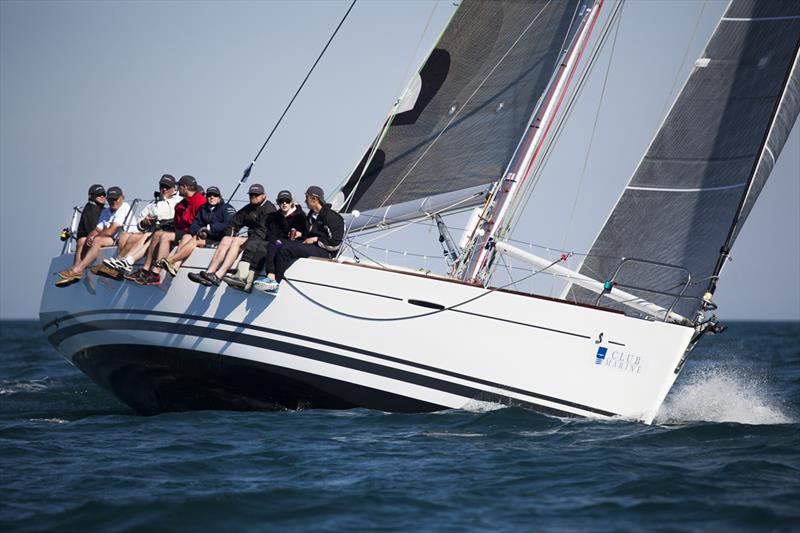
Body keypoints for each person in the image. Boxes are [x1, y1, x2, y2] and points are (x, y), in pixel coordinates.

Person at [256, 186, 343, 293]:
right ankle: (270, 276)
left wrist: (316, 239)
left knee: (285, 250)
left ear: (313, 199)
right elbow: (308, 234)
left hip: (325, 252)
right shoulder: (312, 215)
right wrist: (300, 234)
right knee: (275, 243)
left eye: (306, 197)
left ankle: (276, 284)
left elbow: (335, 244)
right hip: (310, 246)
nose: (305, 201)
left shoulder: (332, 217)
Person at [188, 183, 275, 287]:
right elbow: (233, 223)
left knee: (236, 241)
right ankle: (209, 272)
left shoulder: (269, 208)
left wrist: (241, 239)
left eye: (256, 195)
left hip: (264, 240)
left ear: (264, 195)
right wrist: (230, 234)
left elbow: (262, 232)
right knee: (225, 239)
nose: (253, 197)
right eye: (251, 195)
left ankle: (219, 275)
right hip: (253, 238)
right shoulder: (248, 208)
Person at [127, 175, 206, 285]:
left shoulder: (200, 201)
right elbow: (179, 222)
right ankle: (146, 270)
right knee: (158, 233)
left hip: (192, 233)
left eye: (179, 187)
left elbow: (199, 223)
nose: (178, 189)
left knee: (164, 235)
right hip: (183, 231)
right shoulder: (183, 203)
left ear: (185, 187)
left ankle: (155, 272)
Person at [225, 189, 307, 292]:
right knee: (253, 244)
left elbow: (306, 234)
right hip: (276, 242)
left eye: (287, 201)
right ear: (277, 203)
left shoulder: (299, 216)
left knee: (264, 249)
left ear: (292, 202)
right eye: (281, 201)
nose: (284, 203)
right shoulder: (275, 216)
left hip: (291, 244)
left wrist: (300, 234)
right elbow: (271, 233)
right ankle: (242, 276)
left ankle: (252, 283)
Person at [103, 174, 181, 273]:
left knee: (138, 237)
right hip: (151, 230)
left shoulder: (179, 200)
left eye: (167, 187)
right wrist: (144, 223)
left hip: (164, 231)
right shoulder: (154, 202)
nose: (164, 189)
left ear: (174, 188)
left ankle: (122, 264)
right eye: (162, 186)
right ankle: (120, 263)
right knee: (124, 236)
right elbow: (140, 221)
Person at [57, 187, 131, 285]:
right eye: (111, 199)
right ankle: (78, 271)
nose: (114, 201)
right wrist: (90, 237)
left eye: (116, 198)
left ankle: (78, 270)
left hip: (125, 238)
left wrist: (94, 237)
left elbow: (111, 231)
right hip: (114, 239)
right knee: (83, 240)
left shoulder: (124, 207)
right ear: (107, 200)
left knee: (97, 240)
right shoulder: (105, 211)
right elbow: (97, 229)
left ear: (122, 198)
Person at [159, 186, 235, 277]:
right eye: (209, 195)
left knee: (194, 239)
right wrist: (200, 230)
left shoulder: (226, 208)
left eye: (215, 195)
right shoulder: (203, 208)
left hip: (219, 238)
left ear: (219, 197)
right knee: (186, 236)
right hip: (207, 237)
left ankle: (171, 260)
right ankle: (175, 267)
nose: (212, 197)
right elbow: (194, 226)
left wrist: (209, 228)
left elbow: (229, 224)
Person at [73, 184, 106, 267]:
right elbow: (93, 231)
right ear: (92, 196)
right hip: (89, 240)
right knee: (85, 240)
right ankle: (77, 267)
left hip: (96, 238)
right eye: (99, 195)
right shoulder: (91, 210)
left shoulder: (102, 209)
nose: (102, 196)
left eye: (104, 194)